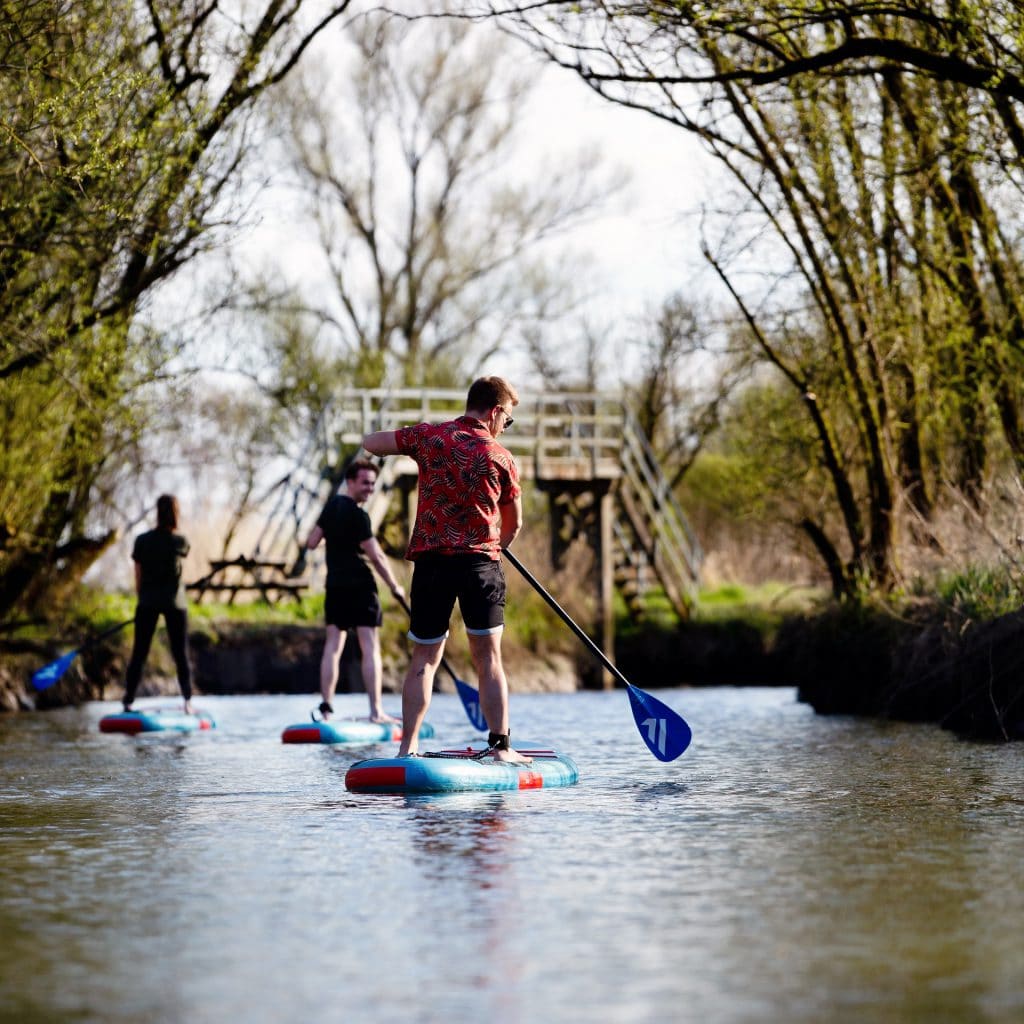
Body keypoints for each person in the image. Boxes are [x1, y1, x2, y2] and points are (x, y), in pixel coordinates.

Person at [363, 376, 528, 763]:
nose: (505, 427)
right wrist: (495, 545)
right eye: (507, 419)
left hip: (432, 564)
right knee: (488, 659)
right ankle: (501, 748)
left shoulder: (429, 437)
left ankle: (407, 748)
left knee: (424, 659)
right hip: (479, 565)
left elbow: (371, 443)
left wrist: (408, 441)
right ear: (495, 411)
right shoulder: (502, 458)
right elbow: (514, 524)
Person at [305, 459, 406, 723]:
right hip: (361, 587)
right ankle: (376, 712)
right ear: (350, 481)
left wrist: (331, 529)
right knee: (370, 647)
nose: (370, 489)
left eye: (373, 484)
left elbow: (311, 542)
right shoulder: (360, 516)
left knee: (333, 647)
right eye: (365, 483)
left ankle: (326, 709)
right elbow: (377, 556)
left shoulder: (331, 508)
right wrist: (395, 586)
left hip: (335, 586)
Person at [123, 494, 194, 713]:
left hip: (147, 602)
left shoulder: (142, 541)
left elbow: (138, 574)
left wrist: (142, 598)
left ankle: (128, 701)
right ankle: (188, 701)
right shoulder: (179, 541)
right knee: (180, 653)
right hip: (175, 603)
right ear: (175, 513)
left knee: (139, 653)